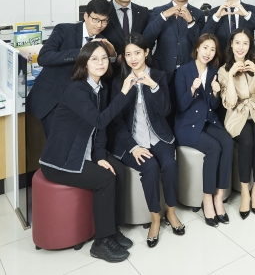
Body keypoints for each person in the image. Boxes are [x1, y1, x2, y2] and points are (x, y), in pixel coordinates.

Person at [39, 42, 135, 263]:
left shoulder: (100, 88)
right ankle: (101, 242)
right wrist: (123, 93)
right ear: (84, 63)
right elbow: (100, 120)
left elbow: (100, 130)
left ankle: (112, 229)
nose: (101, 63)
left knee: (119, 170)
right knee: (104, 179)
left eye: (104, 58)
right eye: (94, 59)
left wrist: (100, 157)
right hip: (61, 161)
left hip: (86, 152)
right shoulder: (77, 90)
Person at [110, 33, 184, 247]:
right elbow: (116, 121)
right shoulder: (119, 82)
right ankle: (155, 218)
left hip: (158, 135)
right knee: (150, 167)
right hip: (132, 140)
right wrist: (133, 147)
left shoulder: (159, 76)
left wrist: (153, 86)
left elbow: (166, 110)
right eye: (128, 54)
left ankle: (171, 212)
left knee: (170, 165)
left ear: (146, 53)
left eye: (137, 53)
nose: (133, 58)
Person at [28, 0, 117, 137]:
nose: (99, 25)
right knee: (55, 144)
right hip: (53, 99)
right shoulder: (64, 30)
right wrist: (82, 51)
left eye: (104, 21)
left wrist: (112, 55)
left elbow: (104, 73)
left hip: (79, 103)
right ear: (86, 15)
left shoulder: (103, 41)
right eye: (95, 19)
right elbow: (44, 57)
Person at [174, 33, 233, 227]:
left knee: (228, 143)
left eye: (212, 49)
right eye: (205, 47)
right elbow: (181, 106)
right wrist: (192, 89)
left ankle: (219, 197)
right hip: (188, 124)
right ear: (197, 48)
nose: (208, 52)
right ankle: (207, 199)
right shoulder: (183, 71)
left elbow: (213, 106)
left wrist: (215, 93)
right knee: (213, 147)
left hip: (208, 121)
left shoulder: (214, 71)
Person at [218, 28, 255, 220]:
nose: (240, 47)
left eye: (245, 43)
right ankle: (244, 192)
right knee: (246, 143)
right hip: (237, 114)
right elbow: (230, 103)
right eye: (237, 42)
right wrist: (231, 76)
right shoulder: (224, 70)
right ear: (231, 44)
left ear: (250, 45)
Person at [143, 0, 205, 129]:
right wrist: (164, 16)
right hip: (163, 70)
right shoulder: (158, 11)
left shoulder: (198, 14)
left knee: (185, 110)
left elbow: (200, 45)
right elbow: (147, 38)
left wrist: (191, 22)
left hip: (188, 71)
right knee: (164, 112)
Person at [101, 0, 150, 77]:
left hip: (137, 72)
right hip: (109, 71)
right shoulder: (104, 11)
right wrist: (114, 57)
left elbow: (147, 39)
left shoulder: (143, 12)